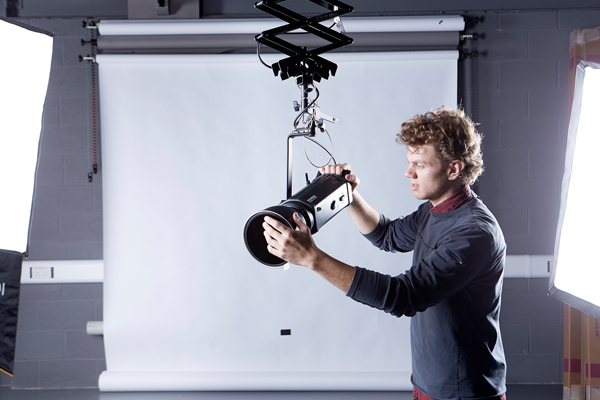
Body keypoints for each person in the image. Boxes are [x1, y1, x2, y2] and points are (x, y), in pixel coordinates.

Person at [262, 106, 507, 400]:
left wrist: (313, 259)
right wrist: (348, 195)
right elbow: (387, 235)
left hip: (463, 393)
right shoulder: (434, 210)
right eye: (409, 162)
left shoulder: (474, 232)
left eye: (420, 164)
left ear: (453, 169)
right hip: (428, 384)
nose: (408, 172)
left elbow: (403, 296)